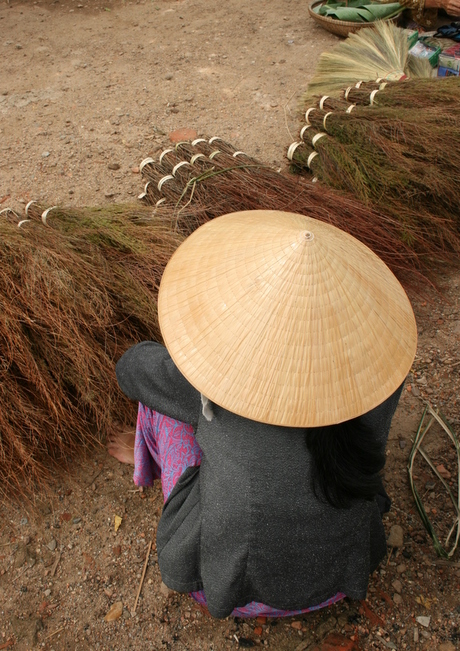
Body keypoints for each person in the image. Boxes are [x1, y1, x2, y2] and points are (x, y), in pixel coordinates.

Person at [109, 210, 417, 619]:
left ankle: (147, 462)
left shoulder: (217, 389)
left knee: (159, 403)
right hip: (340, 578)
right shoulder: (380, 380)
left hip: (238, 591)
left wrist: (193, 355)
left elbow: (131, 368)